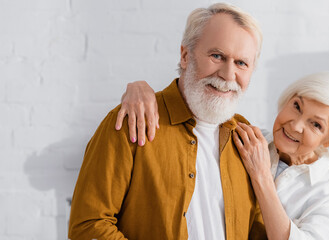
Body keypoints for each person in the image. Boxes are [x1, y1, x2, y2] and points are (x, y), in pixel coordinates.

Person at [69, 3, 267, 240]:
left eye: (241, 63)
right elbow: (88, 225)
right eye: (217, 56)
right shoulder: (131, 121)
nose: (227, 74)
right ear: (185, 56)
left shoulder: (248, 140)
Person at [118, 71, 329, 239]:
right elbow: (195, 113)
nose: (295, 125)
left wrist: (261, 177)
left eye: (315, 125)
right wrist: (139, 89)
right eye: (297, 106)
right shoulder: (246, 137)